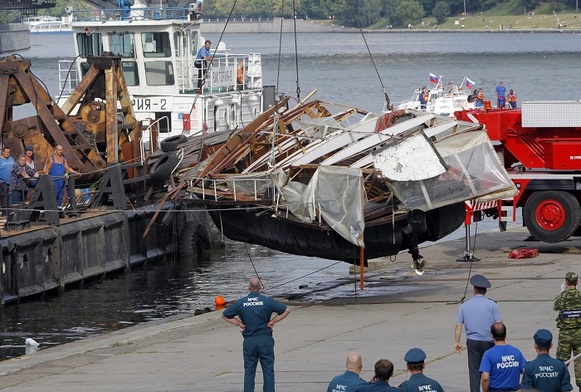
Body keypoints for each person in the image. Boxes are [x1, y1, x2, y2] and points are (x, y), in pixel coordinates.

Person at [221, 278, 291, 392]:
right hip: (265, 339)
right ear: (260, 288)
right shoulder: (267, 301)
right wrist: (273, 321)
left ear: (248, 288)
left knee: (249, 371)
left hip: (249, 341)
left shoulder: (240, 302)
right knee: (268, 370)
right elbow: (286, 310)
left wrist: (240, 324)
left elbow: (225, 315)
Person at [455, 274, 503, 392]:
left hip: (473, 342)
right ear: (485, 291)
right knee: (490, 370)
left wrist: (457, 342)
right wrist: (503, 340)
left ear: (474, 290)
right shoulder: (492, 304)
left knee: (474, 371)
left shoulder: (464, 305)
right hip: (489, 342)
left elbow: (458, 326)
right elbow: (499, 324)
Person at [479, 322, 526, 392]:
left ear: (492, 335)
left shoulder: (488, 354)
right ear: (505, 334)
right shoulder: (516, 352)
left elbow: (485, 378)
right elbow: (526, 371)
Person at [554, 272, 581, 389]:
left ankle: (561, 386)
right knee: (579, 361)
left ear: (566, 282)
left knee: (562, 363)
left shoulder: (562, 297)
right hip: (579, 333)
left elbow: (556, 306)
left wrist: (562, 292)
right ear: (577, 282)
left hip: (565, 335)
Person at [0, 147, 15, 217]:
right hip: (3, 182)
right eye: (6, 152)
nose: (7, 153)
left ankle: (10, 214)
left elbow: (16, 168)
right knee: (4, 198)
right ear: (2, 152)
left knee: (10, 197)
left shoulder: (11, 159)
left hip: (11, 182)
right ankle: (5, 214)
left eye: (9, 152)